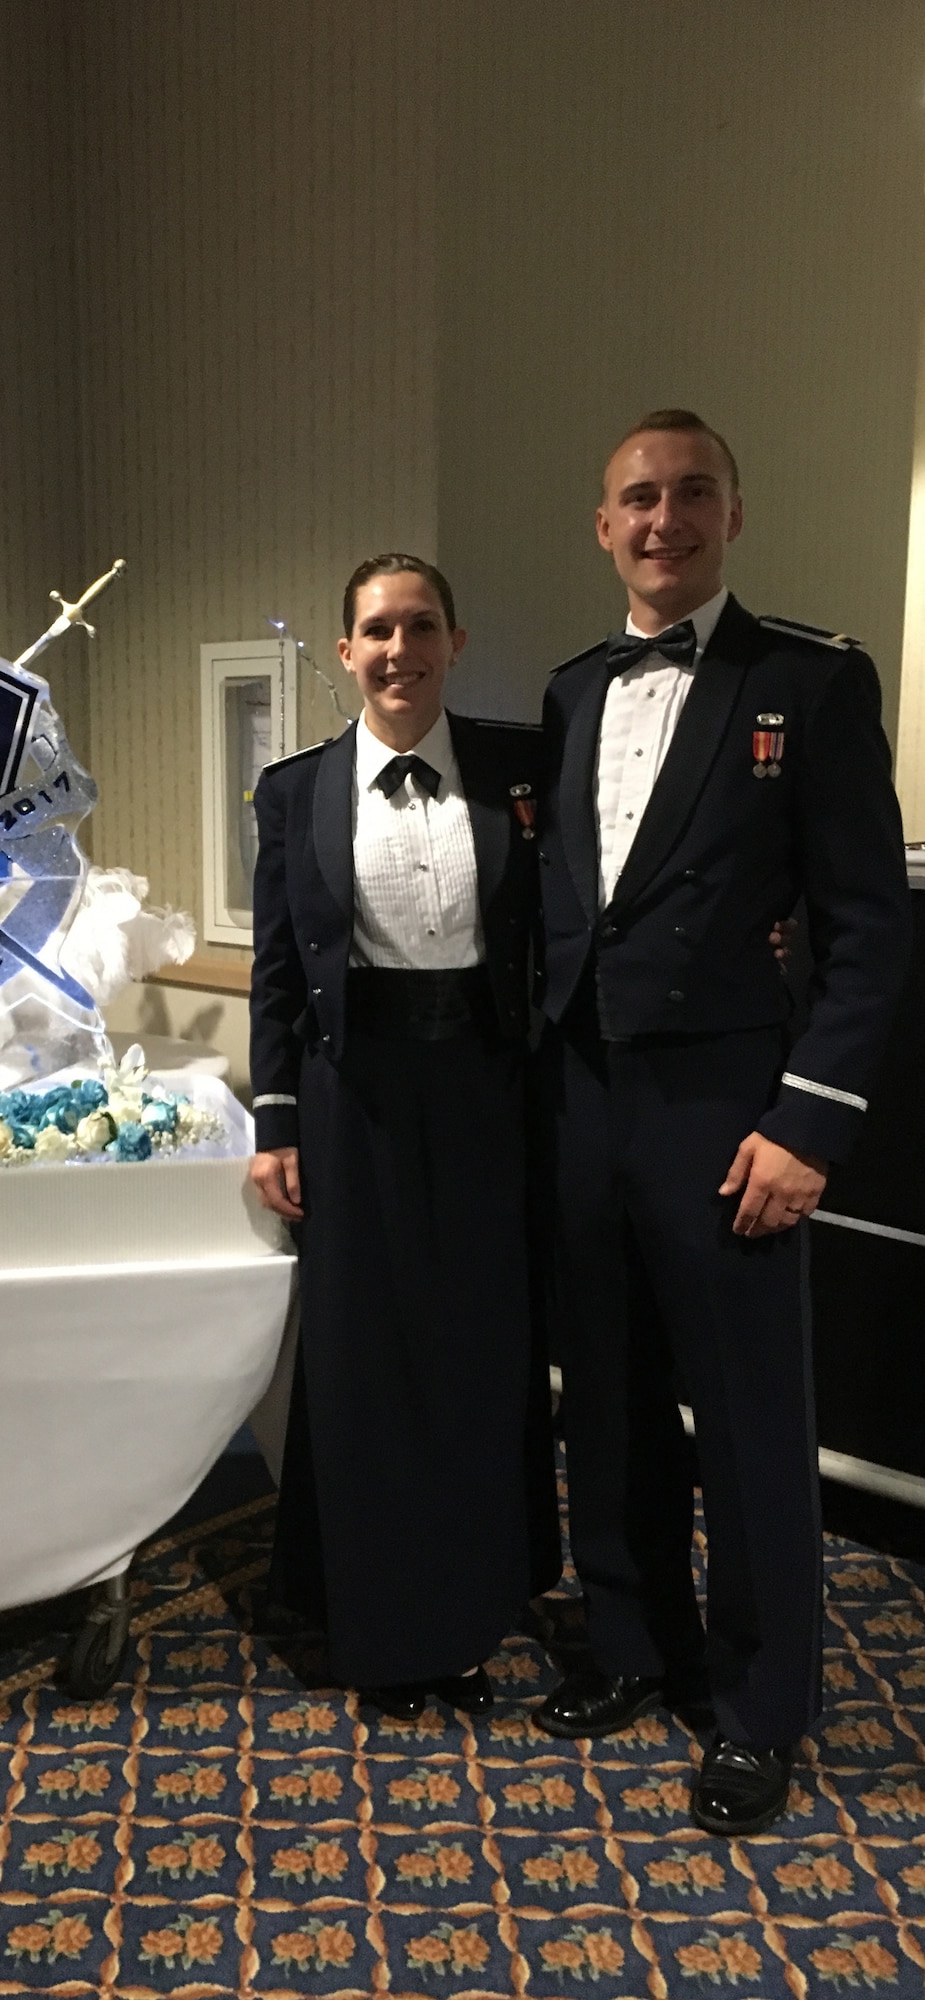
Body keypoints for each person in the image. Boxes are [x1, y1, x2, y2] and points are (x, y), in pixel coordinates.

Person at [534, 409, 912, 1834]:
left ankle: (761, 1707)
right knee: (610, 1395)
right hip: (583, 1100)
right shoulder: (571, 691)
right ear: (602, 524)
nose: (663, 518)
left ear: (734, 516)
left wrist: (807, 1124)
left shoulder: (807, 682)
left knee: (752, 1422)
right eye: (637, 496)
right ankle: (635, 1645)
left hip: (731, 1111)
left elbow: (868, 927)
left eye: (693, 494)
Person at [248, 553, 560, 1721]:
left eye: (419, 625)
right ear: (345, 651)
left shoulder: (520, 767)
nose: (398, 649)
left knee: (476, 1354)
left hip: (486, 1091)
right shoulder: (293, 791)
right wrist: (275, 1116)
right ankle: (382, 1630)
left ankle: (465, 1614)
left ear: (453, 640)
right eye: (376, 629)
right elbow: (277, 973)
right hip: (351, 1098)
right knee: (366, 1363)